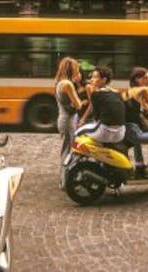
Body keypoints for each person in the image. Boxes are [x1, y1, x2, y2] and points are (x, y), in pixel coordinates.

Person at [75, 65, 125, 143]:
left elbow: (96, 118)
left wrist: (82, 121)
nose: (91, 80)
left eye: (95, 77)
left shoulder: (97, 94)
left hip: (105, 132)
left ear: (104, 80)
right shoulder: (117, 93)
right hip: (121, 134)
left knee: (77, 132)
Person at [55, 57, 84, 187]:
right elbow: (78, 105)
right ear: (71, 69)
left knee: (66, 150)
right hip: (68, 120)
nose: (78, 71)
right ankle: (66, 181)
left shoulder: (59, 82)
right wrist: (77, 84)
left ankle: (64, 180)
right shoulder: (67, 84)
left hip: (64, 119)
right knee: (70, 151)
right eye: (77, 68)